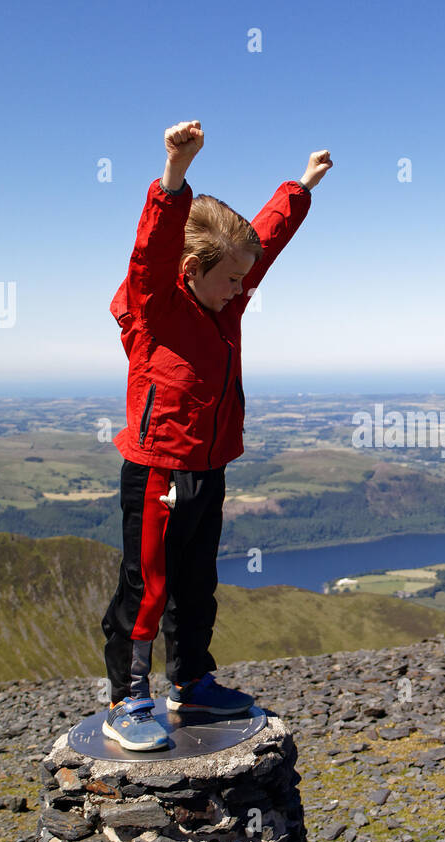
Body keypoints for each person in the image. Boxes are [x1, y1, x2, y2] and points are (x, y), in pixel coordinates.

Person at [99, 118, 332, 750]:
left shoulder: (223, 294)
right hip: (160, 470)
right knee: (147, 584)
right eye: (232, 279)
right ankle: (128, 698)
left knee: (197, 581)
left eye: (243, 280)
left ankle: (192, 680)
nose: (242, 290)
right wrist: (173, 175)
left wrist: (301, 187)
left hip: (210, 465)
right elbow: (151, 250)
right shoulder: (158, 306)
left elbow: (266, 241)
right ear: (196, 267)